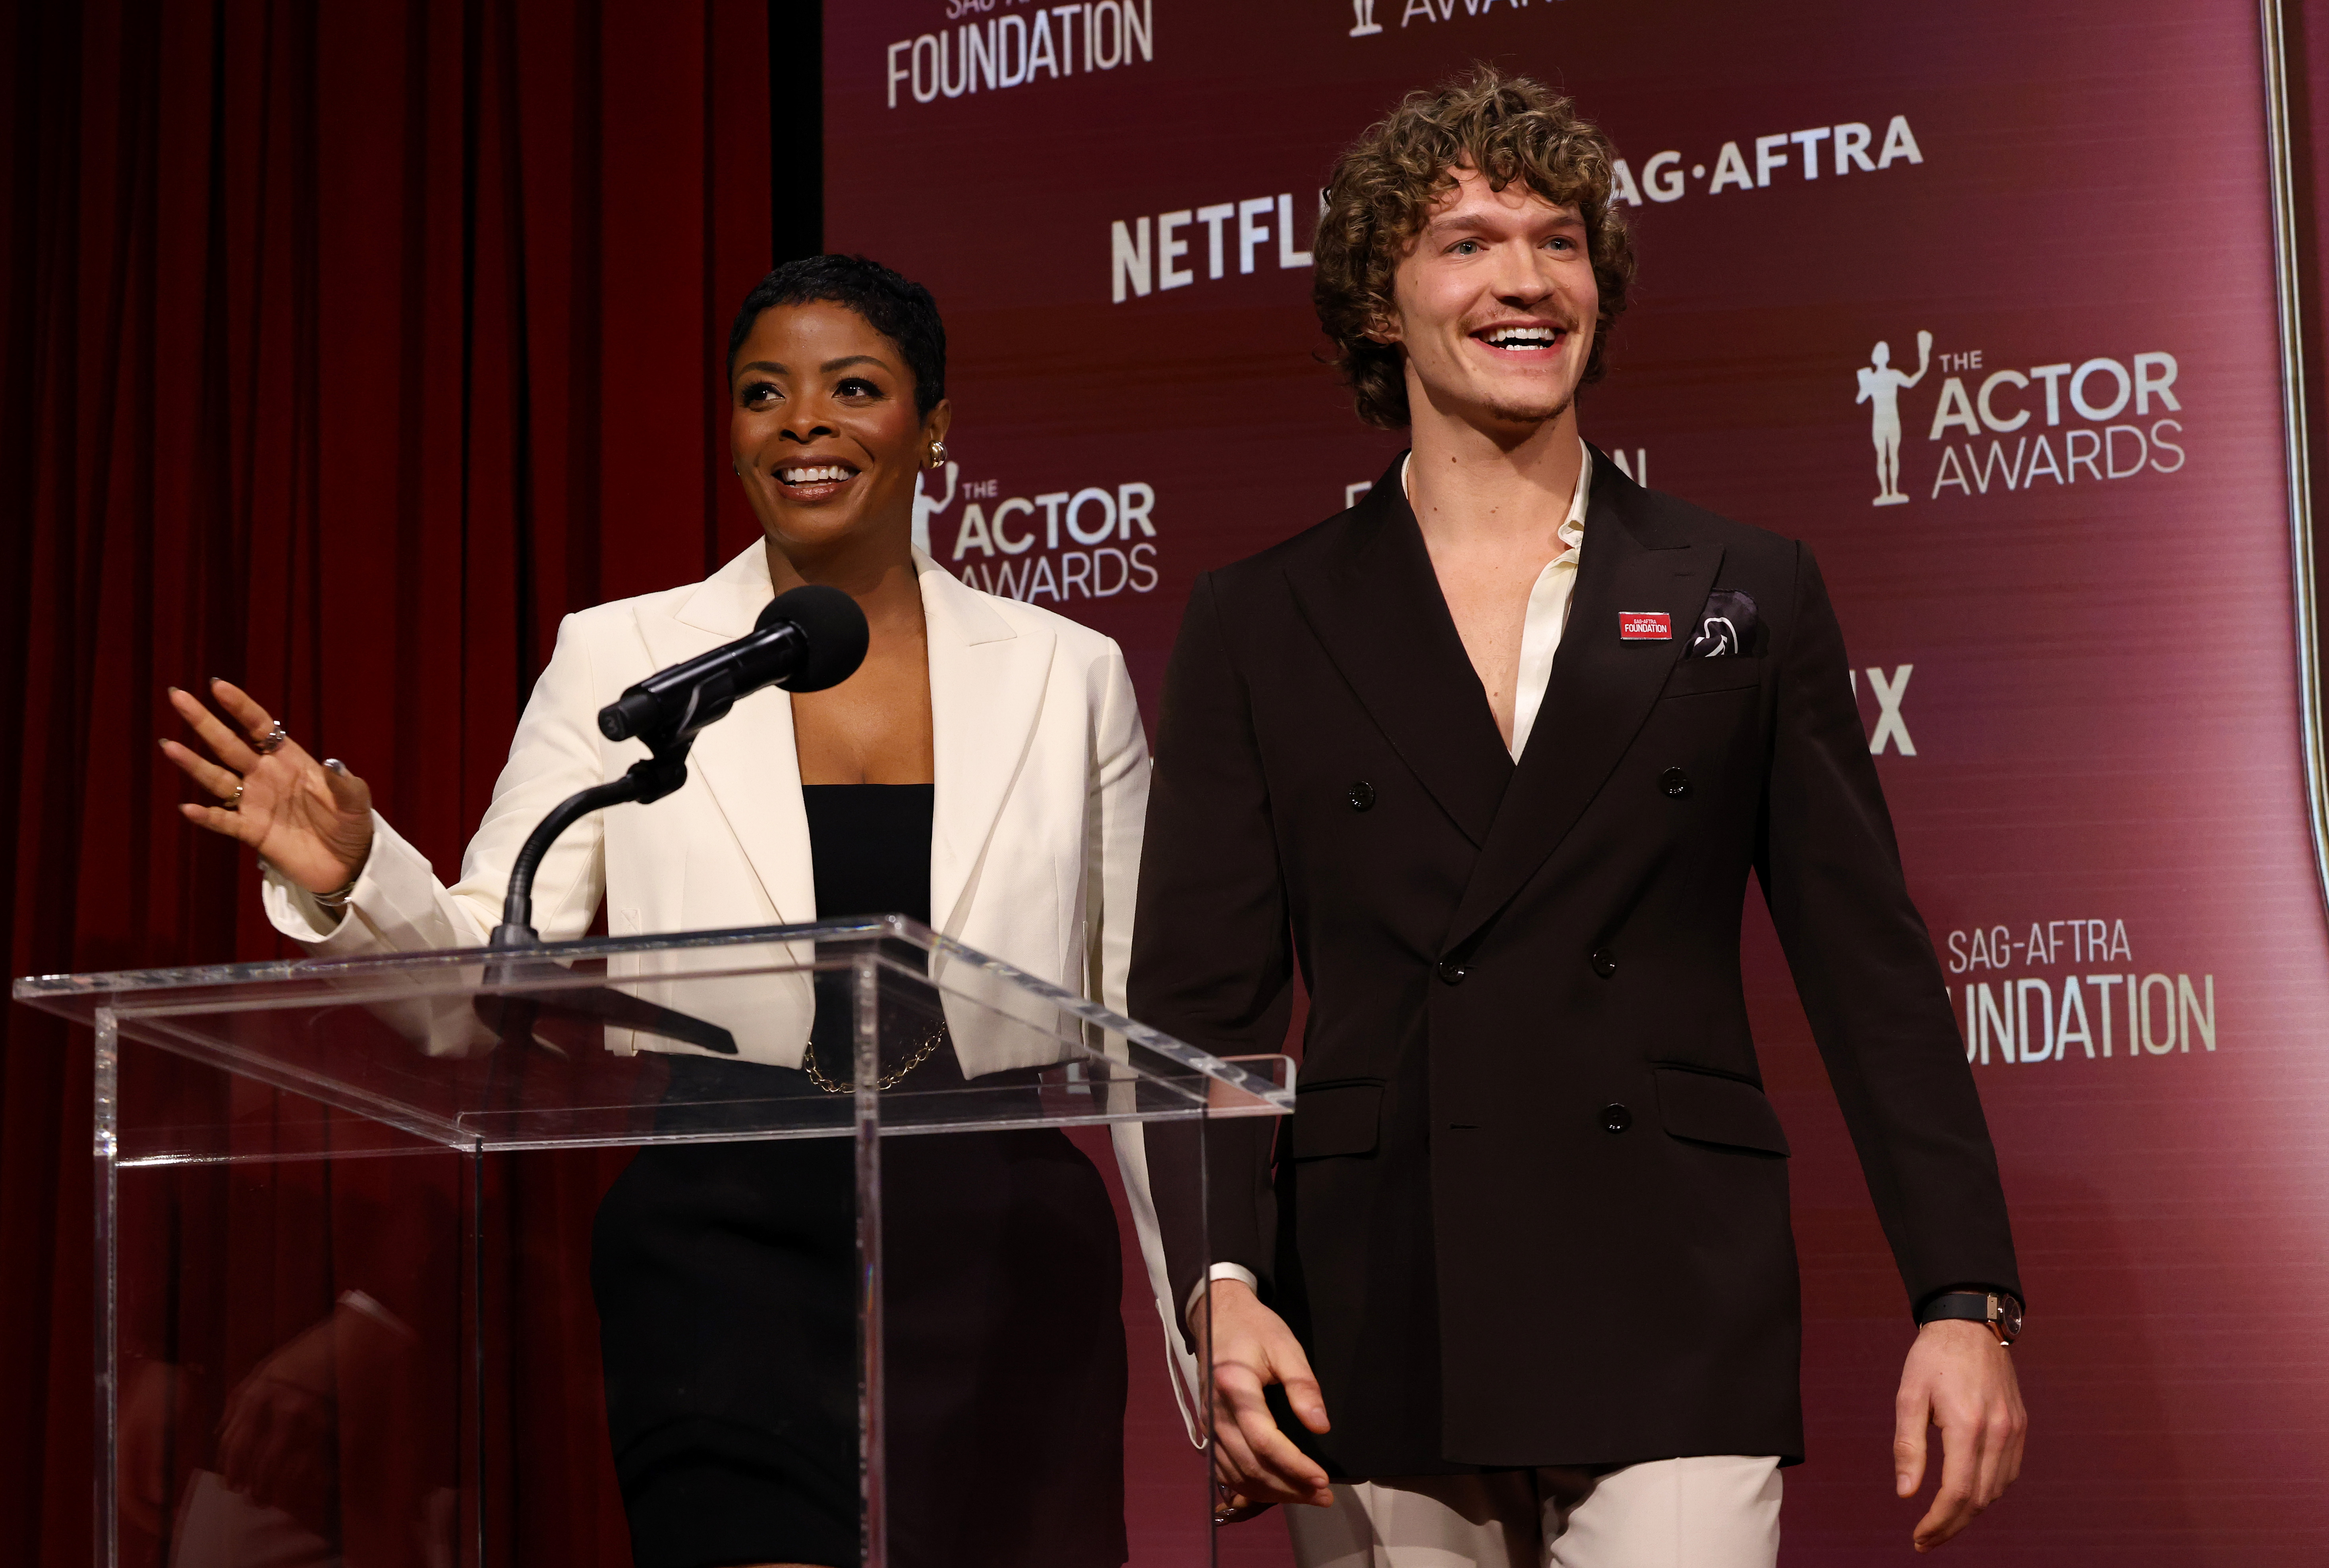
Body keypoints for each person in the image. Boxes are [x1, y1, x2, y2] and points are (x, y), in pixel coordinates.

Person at [1130, 70, 2026, 1567]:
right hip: (1378, 1295)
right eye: (1468, 243)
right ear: (1379, 303)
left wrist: (1964, 1294)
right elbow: (1199, 1012)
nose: (1528, 278)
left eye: (1559, 241)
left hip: (1673, 1281)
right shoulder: (1261, 618)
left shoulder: (1746, 584)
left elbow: (1871, 969)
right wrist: (1218, 1282)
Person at [162, 255, 1157, 1568]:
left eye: (854, 388)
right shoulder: (627, 657)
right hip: (723, 1242)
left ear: (934, 427)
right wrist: (356, 874)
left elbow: (1146, 1033)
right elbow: (484, 981)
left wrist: (1213, 1312)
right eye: (764, 392)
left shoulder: (1068, 673)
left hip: (1000, 1245)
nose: (803, 422)